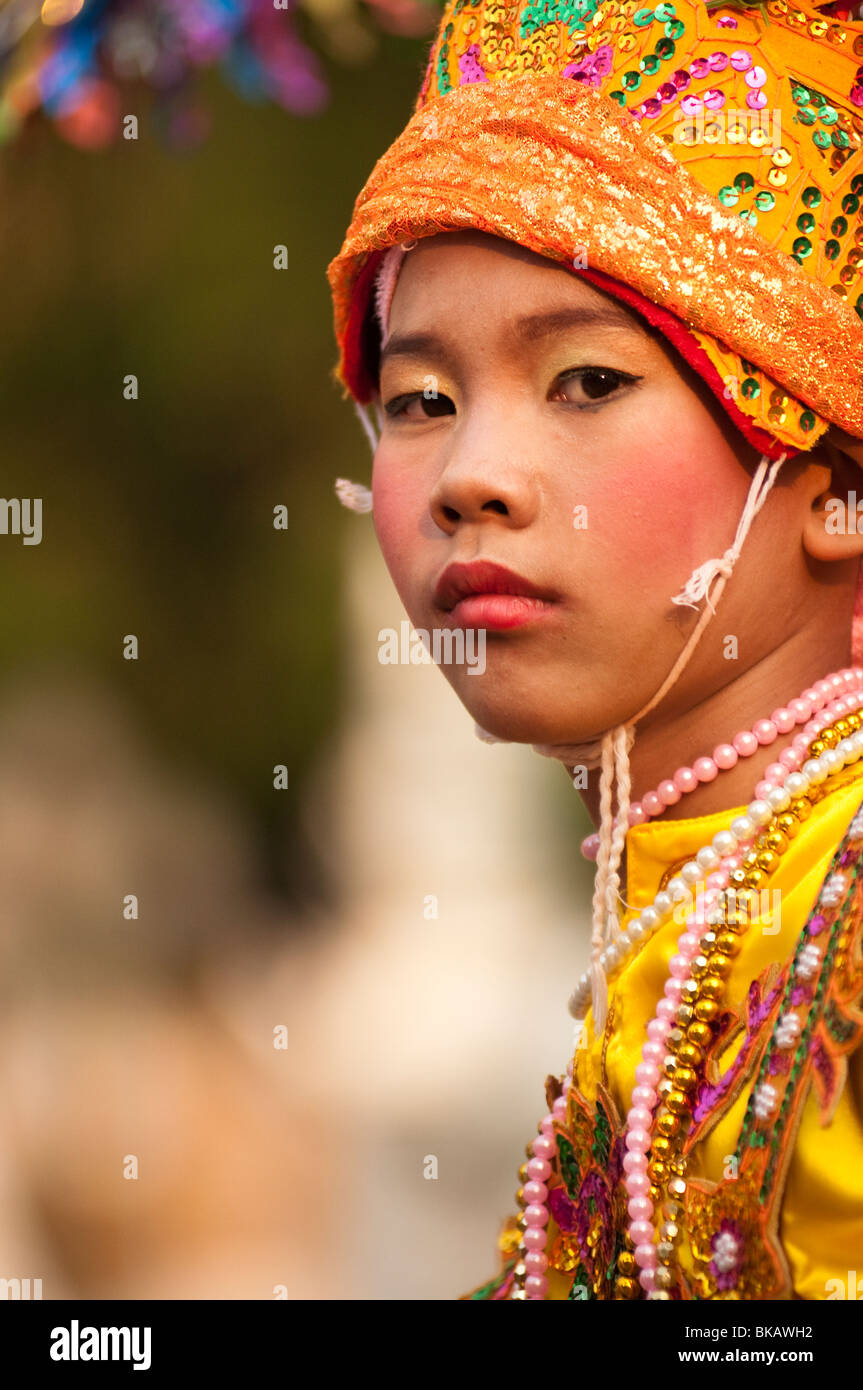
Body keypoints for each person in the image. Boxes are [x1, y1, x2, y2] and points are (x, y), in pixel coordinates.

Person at [325, 0, 863, 1300]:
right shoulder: (685, 917)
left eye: (587, 381)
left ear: (836, 485)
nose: (473, 478)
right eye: (419, 402)